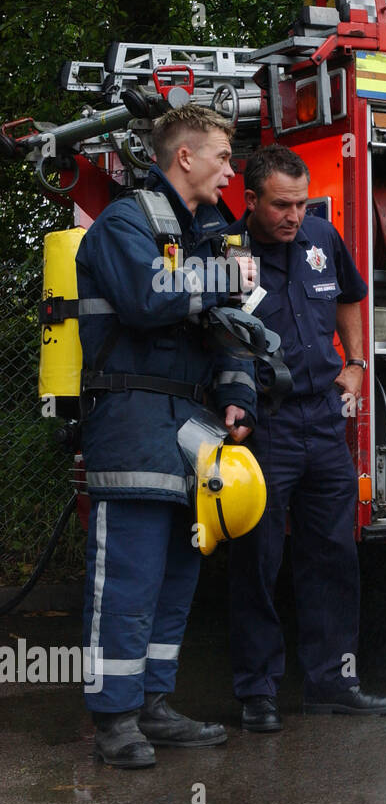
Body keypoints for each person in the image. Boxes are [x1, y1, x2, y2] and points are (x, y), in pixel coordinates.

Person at [75, 104, 259, 767]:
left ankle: (153, 703)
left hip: (193, 429)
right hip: (132, 423)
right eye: (222, 158)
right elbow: (146, 297)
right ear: (185, 156)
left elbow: (232, 335)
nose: (231, 171)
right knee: (128, 576)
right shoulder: (126, 221)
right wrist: (222, 279)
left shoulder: (208, 235)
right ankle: (115, 719)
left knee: (177, 576)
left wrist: (239, 399)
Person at [225, 145, 386, 732]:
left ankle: (333, 683)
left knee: (332, 553)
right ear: (250, 201)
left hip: (324, 418)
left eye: (300, 203)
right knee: (258, 556)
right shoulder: (228, 253)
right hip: (263, 423)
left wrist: (357, 363)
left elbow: (352, 294)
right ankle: (257, 692)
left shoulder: (323, 238)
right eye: (280, 205)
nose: (293, 216)